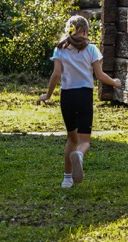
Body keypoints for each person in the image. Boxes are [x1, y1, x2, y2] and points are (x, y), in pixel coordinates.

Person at [36, 15, 122, 189]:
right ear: (85, 32)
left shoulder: (60, 49)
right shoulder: (91, 49)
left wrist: (47, 95)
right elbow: (99, 76)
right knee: (84, 141)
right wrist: (114, 82)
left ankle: (67, 179)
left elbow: (56, 75)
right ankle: (80, 156)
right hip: (84, 96)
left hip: (67, 97)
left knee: (71, 138)